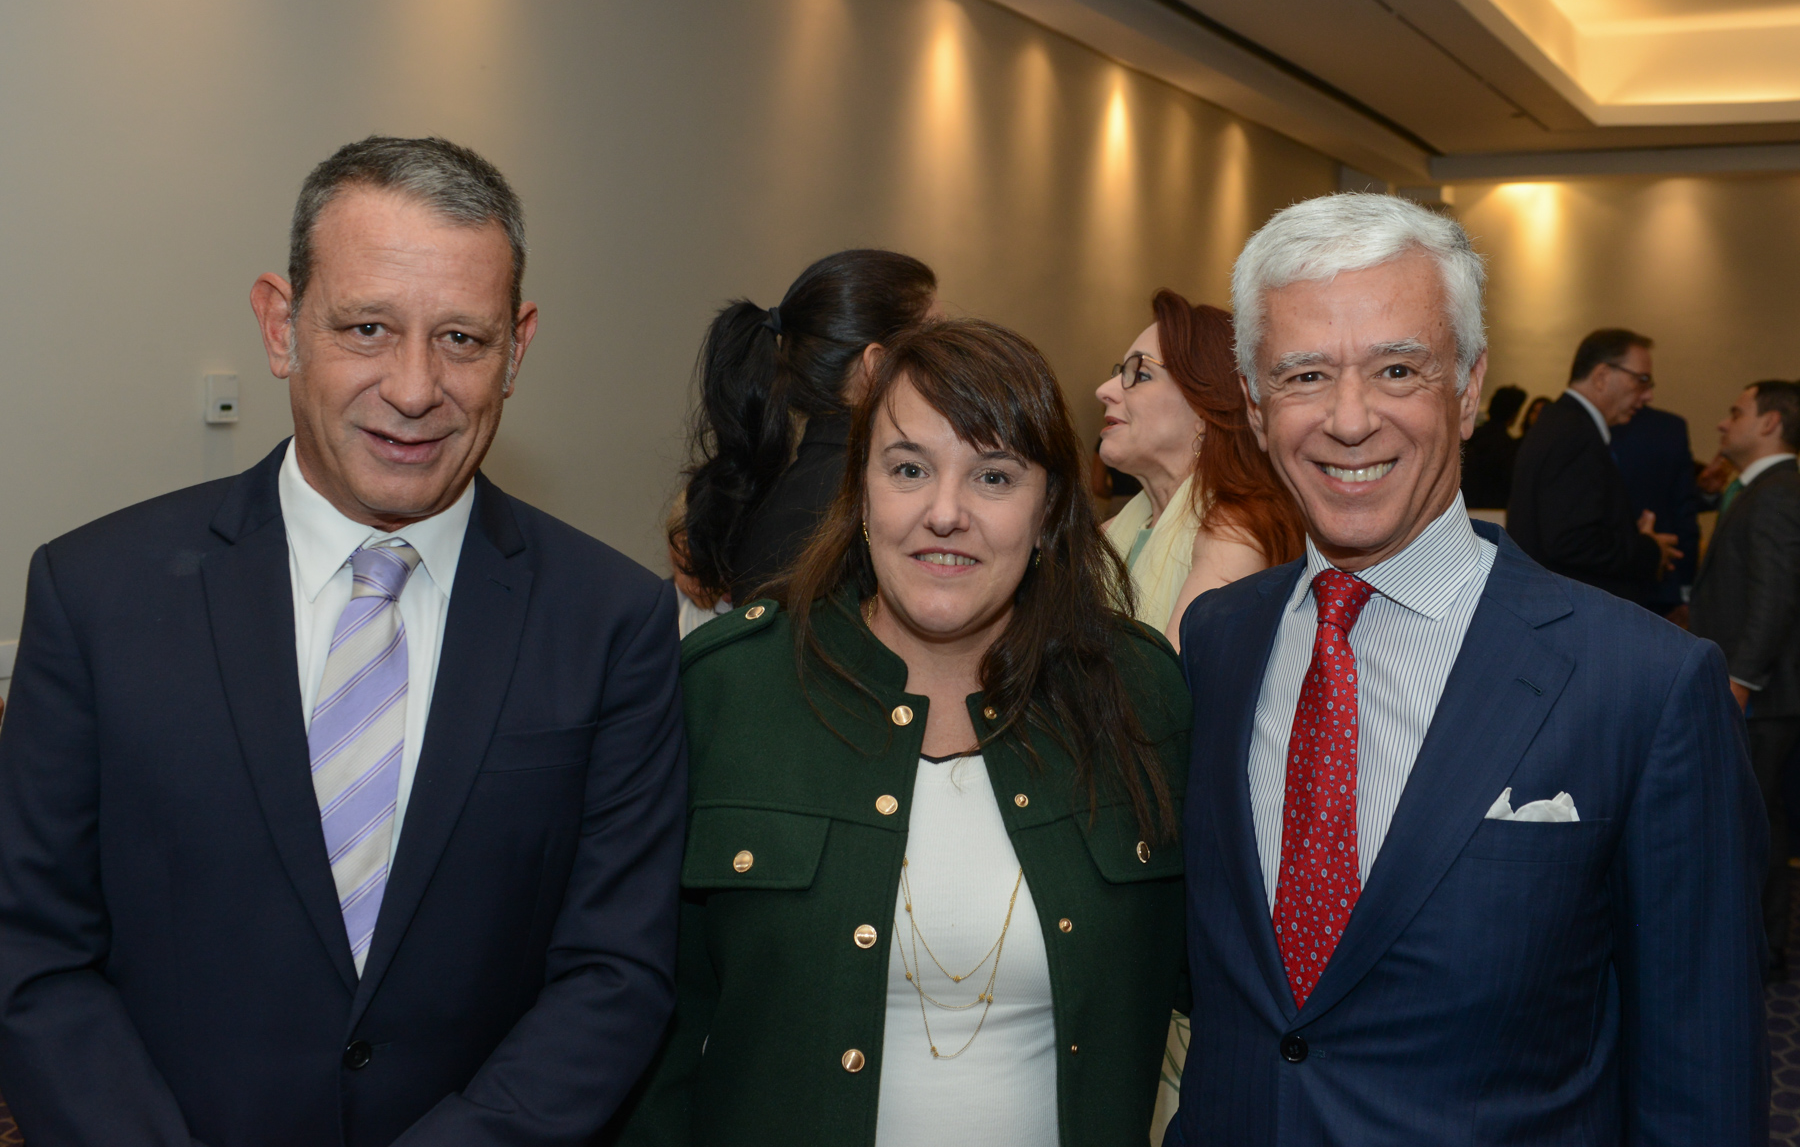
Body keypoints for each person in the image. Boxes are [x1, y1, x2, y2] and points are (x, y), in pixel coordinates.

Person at [0, 137, 687, 1145]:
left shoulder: (611, 623)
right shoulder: (95, 596)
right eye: (368, 327)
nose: (414, 388)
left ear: (517, 349)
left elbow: (615, 971)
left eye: (462, 338)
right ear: (281, 326)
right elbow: (30, 946)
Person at [1169, 193, 1767, 1144]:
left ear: (1468, 386)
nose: (1349, 419)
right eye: (1305, 374)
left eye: (1397, 369)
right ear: (1253, 402)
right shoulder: (1217, 640)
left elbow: (1703, 1074)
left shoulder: (1644, 684)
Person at [618, 319, 1192, 1146]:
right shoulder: (728, 691)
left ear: (1049, 511)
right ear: (862, 493)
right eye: (909, 468)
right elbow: (649, 1034)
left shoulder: (1139, 695)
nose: (944, 513)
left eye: (993, 476)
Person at [669, 249, 937, 634]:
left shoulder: (769, 490)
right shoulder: (874, 492)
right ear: (876, 367)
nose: (951, 362)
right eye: (935, 343)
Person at [1095, 291, 1304, 644]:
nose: (1104, 390)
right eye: (1120, 372)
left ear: (1206, 409)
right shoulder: (1112, 534)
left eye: (1140, 374)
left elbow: (1169, 679)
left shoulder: (1233, 536)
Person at [1690, 379, 1800, 982]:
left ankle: (1760, 946)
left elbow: (1775, 598)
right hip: (1755, 686)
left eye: (1737, 412)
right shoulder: (1758, 488)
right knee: (1756, 813)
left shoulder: (1778, 493)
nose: (1723, 422)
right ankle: (1756, 939)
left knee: (1755, 818)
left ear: (1770, 423)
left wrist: (1740, 680)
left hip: (1760, 692)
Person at [1507, 328, 1680, 600]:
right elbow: (1572, 542)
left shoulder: (1560, 422)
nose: (1648, 396)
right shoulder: (1576, 434)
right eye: (1642, 380)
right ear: (1601, 376)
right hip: (1569, 607)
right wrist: (1648, 549)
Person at [1611, 403, 1702, 616]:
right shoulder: (1669, 427)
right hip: (1660, 582)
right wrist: (1685, 589)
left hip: (1593, 583)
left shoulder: (1577, 426)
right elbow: (1683, 510)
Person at [1458, 383, 1524, 509]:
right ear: (1514, 414)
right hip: (1493, 510)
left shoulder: (1471, 437)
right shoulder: (1508, 446)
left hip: (1465, 505)